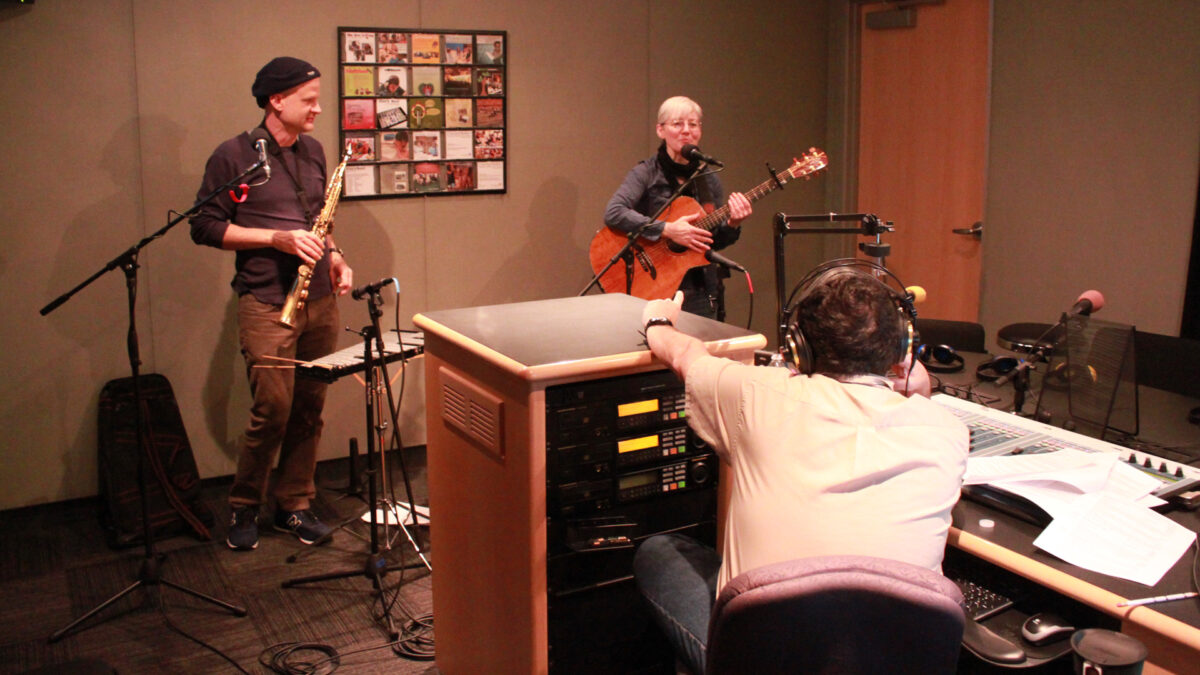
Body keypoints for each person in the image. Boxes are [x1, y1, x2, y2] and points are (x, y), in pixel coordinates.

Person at [631, 261, 968, 673]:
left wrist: (658, 318)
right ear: (901, 349)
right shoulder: (949, 431)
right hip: (885, 664)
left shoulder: (754, 394)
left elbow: (685, 354)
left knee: (659, 553)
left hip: (758, 664)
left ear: (797, 350)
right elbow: (917, 398)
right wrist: (913, 379)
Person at [190, 56, 354, 551]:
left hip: (318, 299)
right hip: (267, 301)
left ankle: (294, 505)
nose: (318, 109)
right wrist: (275, 239)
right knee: (273, 408)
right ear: (276, 101)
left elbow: (319, 220)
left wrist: (336, 256)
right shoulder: (233, 155)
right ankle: (244, 504)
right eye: (309, 100)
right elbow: (204, 226)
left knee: (309, 407)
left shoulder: (314, 151)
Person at [603, 96, 752, 320]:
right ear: (660, 130)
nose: (686, 131)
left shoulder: (708, 178)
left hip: (700, 288)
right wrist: (667, 229)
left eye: (693, 124)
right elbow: (614, 212)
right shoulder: (646, 173)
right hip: (653, 285)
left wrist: (733, 224)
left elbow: (712, 241)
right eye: (677, 124)